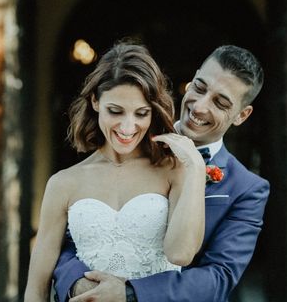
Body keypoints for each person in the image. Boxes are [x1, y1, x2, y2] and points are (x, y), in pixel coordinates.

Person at [54, 45, 270, 302]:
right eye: (199, 87)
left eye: (220, 103)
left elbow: (219, 277)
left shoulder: (246, 188)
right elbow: (72, 233)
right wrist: (77, 282)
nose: (199, 107)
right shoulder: (128, 138)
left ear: (242, 116)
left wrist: (129, 293)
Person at [24, 43, 207, 302]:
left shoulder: (173, 171)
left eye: (141, 113)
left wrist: (196, 168)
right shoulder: (63, 183)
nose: (128, 127)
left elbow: (181, 254)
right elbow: (36, 288)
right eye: (116, 111)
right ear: (96, 101)